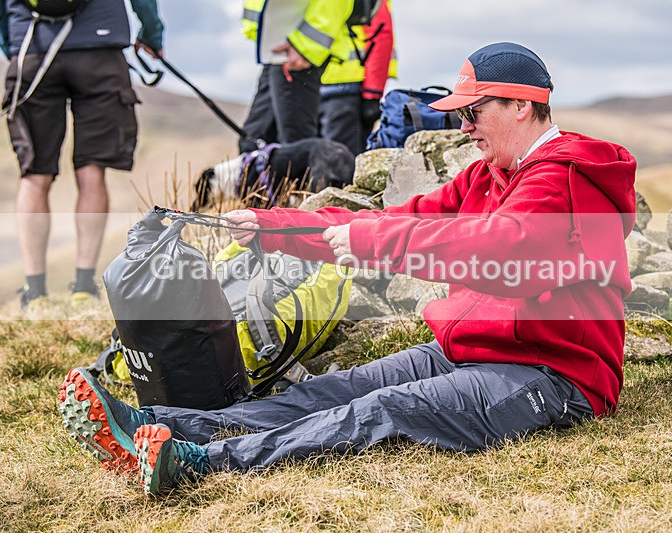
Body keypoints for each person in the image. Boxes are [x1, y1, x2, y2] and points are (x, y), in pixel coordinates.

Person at [58, 42, 637, 495]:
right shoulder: (489, 175)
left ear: (521, 104)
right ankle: (159, 425)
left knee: (379, 412)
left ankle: (195, 464)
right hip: (475, 349)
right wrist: (277, 228)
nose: (463, 127)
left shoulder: (564, 180)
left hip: (555, 375)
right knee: (339, 388)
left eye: (474, 111)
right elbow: (398, 217)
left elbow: (491, 247)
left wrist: (368, 239)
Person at [0, 0, 164, 309]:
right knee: (92, 170)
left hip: (32, 46)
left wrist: (14, 46)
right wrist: (151, 34)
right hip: (101, 48)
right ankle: (83, 287)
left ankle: (35, 291)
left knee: (34, 174)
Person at [238, 0, 356, 154]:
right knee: (254, 142)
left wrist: (305, 46)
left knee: (295, 147)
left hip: (296, 47)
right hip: (279, 44)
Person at [319, 0, 396, 155]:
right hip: (320, 85)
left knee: (339, 160)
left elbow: (380, 36)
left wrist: (372, 93)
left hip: (345, 87)